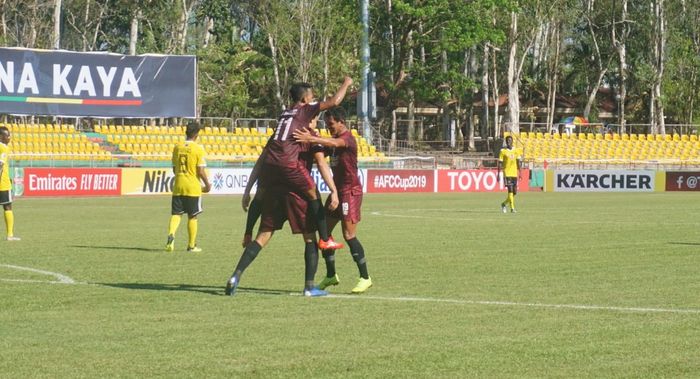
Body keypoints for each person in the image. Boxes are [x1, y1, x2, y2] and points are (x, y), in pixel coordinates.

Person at [230, 116, 339, 297]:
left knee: (263, 236)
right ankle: (309, 287)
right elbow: (320, 163)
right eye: (315, 118)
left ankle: (235, 276)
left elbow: (260, 162)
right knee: (310, 238)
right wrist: (333, 190)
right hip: (298, 196)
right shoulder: (310, 136)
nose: (316, 122)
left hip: (275, 194)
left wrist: (248, 189)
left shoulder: (278, 136)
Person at [260, 77, 352, 251]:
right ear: (304, 99)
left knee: (262, 205)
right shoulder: (304, 110)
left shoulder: (285, 113)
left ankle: (249, 234)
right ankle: (325, 239)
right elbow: (334, 101)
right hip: (290, 166)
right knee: (314, 193)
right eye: (311, 97)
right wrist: (346, 83)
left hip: (272, 165)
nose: (313, 100)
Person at [293, 107, 372, 294]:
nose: (328, 128)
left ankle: (365, 277)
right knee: (325, 234)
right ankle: (331, 275)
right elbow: (321, 152)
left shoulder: (347, 139)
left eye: (331, 124)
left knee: (349, 235)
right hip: (337, 192)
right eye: (327, 125)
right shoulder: (334, 142)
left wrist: (312, 138)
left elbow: (334, 143)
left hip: (350, 192)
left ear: (341, 122)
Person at [165, 121, 211, 252]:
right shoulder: (198, 149)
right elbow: (200, 171)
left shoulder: (177, 147)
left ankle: (171, 234)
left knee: (176, 214)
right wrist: (207, 185)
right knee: (192, 216)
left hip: (178, 185)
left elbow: (174, 169)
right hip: (192, 187)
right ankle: (191, 246)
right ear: (197, 134)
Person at [0, 126, 19, 241]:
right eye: (7, 135)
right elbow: (1, 165)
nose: (9, 137)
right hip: (2, 183)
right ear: (1, 137)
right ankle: (10, 235)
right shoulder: (3, 148)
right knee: (7, 206)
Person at [496, 135, 522, 213]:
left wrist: (520, 172)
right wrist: (498, 174)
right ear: (506, 142)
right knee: (510, 190)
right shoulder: (503, 151)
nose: (508, 142)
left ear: (512, 141)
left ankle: (504, 204)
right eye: (507, 141)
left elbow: (518, 162)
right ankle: (512, 208)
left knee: (514, 192)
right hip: (507, 173)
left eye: (510, 140)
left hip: (514, 173)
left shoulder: (516, 151)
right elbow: (500, 163)